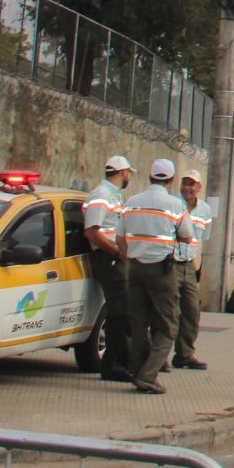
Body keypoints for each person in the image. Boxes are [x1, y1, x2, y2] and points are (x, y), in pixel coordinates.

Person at [118, 158, 190, 394]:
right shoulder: (175, 205)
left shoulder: (132, 201)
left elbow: (120, 237)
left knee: (139, 323)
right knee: (169, 325)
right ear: (171, 180)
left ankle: (138, 371)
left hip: (135, 268)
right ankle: (148, 376)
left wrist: (129, 257)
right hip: (162, 269)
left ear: (150, 177)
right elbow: (187, 235)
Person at [84, 156, 135, 383]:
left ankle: (114, 364)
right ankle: (119, 364)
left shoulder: (113, 195)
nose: (130, 177)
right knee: (121, 313)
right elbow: (92, 232)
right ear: (123, 173)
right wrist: (115, 252)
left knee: (120, 313)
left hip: (115, 258)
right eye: (129, 173)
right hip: (108, 258)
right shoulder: (101, 195)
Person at [173, 169, 213, 371]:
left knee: (191, 309)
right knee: (168, 311)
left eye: (191, 184)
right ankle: (158, 356)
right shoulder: (173, 204)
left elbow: (202, 241)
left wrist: (199, 267)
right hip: (170, 262)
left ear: (199, 187)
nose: (187, 188)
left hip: (189, 264)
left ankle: (185, 354)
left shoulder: (205, 210)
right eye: (184, 183)